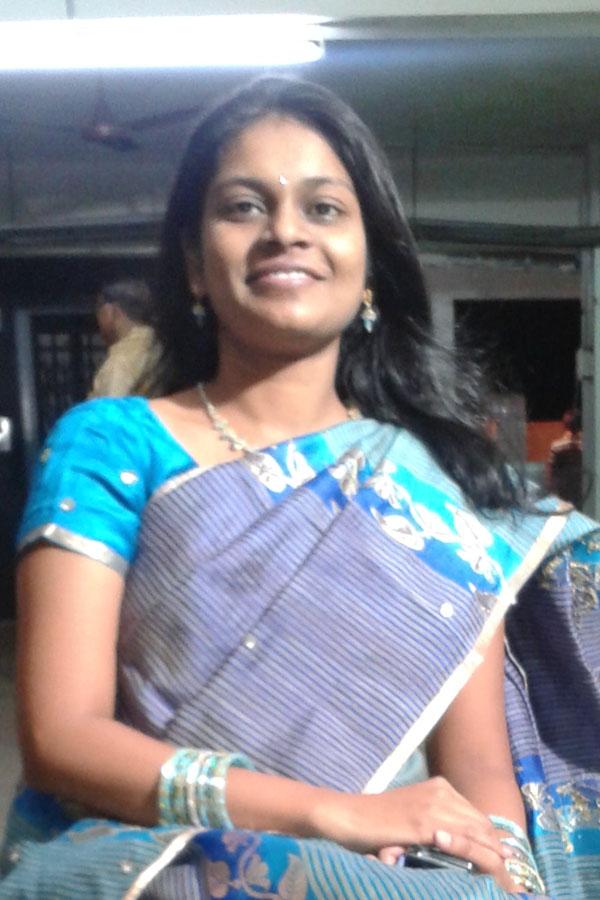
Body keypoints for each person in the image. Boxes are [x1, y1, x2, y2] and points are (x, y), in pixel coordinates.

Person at [1, 77, 599, 899]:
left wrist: (505, 875)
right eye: (244, 206)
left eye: (323, 208)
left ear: (370, 265)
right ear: (194, 265)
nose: (285, 230)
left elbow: (478, 772)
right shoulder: (113, 445)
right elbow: (62, 738)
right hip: (173, 865)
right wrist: (326, 815)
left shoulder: (441, 481)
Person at [90, 278, 162, 398]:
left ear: (111, 311)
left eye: (98, 310)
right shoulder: (160, 344)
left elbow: (111, 406)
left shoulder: (121, 361)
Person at [547, 408, 583, 509]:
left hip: (565, 490)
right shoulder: (590, 445)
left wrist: (551, 489)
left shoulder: (557, 446)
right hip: (579, 488)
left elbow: (550, 469)